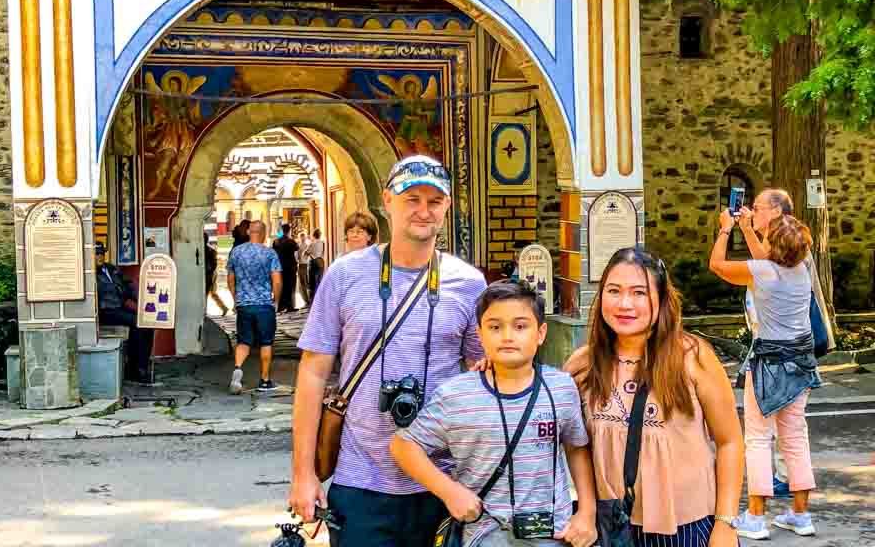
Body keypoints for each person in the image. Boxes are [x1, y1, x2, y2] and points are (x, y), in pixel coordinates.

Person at [289, 154, 487, 547]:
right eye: (412, 199)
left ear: (447, 206)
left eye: (434, 201)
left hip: (444, 480)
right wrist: (303, 474)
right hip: (360, 479)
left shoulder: (469, 284)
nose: (423, 210)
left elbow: (484, 376)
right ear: (387, 201)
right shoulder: (344, 275)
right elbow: (312, 374)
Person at [390, 280, 598, 547]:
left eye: (520, 326)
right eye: (495, 327)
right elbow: (403, 445)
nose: (508, 336)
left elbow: (576, 448)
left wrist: (587, 512)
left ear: (541, 333)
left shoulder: (560, 388)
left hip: (553, 534)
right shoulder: (456, 395)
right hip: (484, 535)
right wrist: (449, 492)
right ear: (479, 334)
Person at [566, 247, 744, 547]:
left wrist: (725, 524)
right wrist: (494, 370)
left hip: (689, 529)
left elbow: (730, 442)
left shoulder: (692, 357)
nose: (625, 304)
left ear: (661, 300)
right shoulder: (583, 364)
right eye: (614, 291)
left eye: (639, 292)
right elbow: (574, 442)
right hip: (615, 530)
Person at [710, 205, 821, 539]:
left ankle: (756, 517)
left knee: (758, 438)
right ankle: (801, 515)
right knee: (795, 437)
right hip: (801, 363)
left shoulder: (761, 272)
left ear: (774, 246)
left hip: (769, 365)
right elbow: (769, 257)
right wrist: (748, 228)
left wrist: (726, 229)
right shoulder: (801, 269)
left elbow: (717, 265)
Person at [226, 219, 282, 394]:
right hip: (264, 304)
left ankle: (237, 368)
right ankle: (264, 381)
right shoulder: (270, 254)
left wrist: (236, 298)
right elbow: (277, 280)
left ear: (249, 232)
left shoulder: (236, 252)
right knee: (266, 342)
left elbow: (230, 279)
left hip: (244, 304)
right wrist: (276, 300)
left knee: (244, 341)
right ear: (264, 234)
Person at [94, 243, 155, 384]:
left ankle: (142, 365)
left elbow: (127, 285)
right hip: (105, 311)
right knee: (137, 324)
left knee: (147, 323)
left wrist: (141, 302)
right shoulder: (90, 273)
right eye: (96, 253)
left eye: (101, 253)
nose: (99, 256)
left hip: (118, 308)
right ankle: (136, 369)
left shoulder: (111, 269)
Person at [273, 222, 301, 312]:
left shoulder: (276, 241)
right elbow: (297, 248)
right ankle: (290, 306)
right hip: (290, 267)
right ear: (289, 230)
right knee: (290, 286)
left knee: (281, 286)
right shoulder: (290, 241)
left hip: (280, 266)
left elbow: (273, 250)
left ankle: (280, 306)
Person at [204, 232, 228, 316]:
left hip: (209, 274)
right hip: (210, 274)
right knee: (211, 293)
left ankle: (204, 311)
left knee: (208, 293)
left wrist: (209, 277)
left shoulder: (208, 251)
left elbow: (212, 265)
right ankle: (223, 308)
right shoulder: (211, 250)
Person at [305, 228, 326, 298]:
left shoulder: (312, 244)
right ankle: (321, 296)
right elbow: (323, 252)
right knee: (320, 280)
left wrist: (309, 254)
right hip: (320, 261)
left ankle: (313, 297)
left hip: (313, 262)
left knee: (312, 281)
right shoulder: (322, 243)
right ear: (320, 235)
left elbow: (306, 252)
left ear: (314, 235)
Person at [297, 230, 312, 305]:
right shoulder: (303, 245)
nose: (302, 238)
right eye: (301, 237)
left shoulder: (303, 245)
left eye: (303, 237)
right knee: (304, 282)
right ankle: (306, 299)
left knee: (304, 282)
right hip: (302, 264)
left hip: (304, 264)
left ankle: (307, 299)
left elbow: (298, 256)